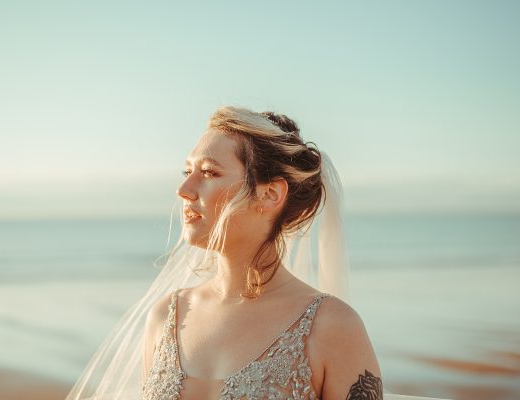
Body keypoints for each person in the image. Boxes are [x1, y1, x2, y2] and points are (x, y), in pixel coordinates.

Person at [65, 107, 447, 400]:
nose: (184, 188)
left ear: (269, 194)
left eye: (210, 172)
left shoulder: (332, 326)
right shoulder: (166, 316)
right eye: (187, 170)